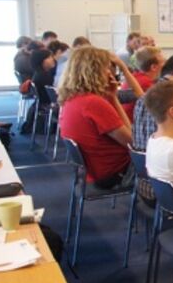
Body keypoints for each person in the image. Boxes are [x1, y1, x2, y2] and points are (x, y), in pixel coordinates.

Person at [58, 47, 135, 189]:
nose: (110, 72)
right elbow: (132, 142)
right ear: (95, 70)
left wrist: (112, 98)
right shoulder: (93, 103)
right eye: (107, 67)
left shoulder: (71, 99)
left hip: (92, 172)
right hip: (116, 173)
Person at [121, 46, 165, 119]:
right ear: (153, 67)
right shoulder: (146, 83)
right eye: (163, 62)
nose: (165, 65)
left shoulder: (135, 77)